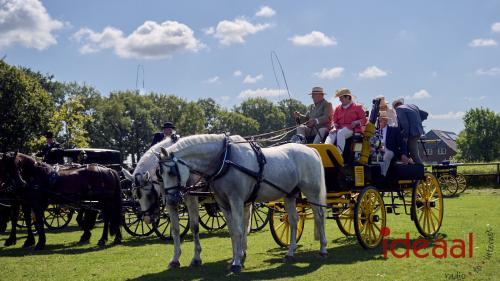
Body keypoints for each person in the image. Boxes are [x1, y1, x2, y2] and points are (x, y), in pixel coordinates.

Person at [325, 88, 367, 153]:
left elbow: (364, 119)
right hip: (339, 128)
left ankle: (339, 154)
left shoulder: (358, 107)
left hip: (352, 129)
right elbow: (334, 120)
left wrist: (356, 122)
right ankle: (325, 151)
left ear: (348, 97)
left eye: (341, 98)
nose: (339, 100)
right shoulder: (337, 108)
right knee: (331, 133)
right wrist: (334, 127)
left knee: (340, 133)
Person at [392, 98, 428, 164]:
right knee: (412, 152)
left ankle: (421, 172)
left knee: (413, 155)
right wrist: (417, 122)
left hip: (412, 133)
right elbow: (425, 114)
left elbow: (405, 124)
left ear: (395, 107)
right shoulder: (412, 106)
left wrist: (405, 137)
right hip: (418, 131)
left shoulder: (399, 109)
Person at [376, 111, 412, 176]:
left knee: (387, 154)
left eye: (381, 118)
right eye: (378, 119)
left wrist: (403, 154)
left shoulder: (394, 130)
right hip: (378, 152)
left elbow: (402, 143)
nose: (379, 120)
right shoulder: (376, 132)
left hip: (390, 152)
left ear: (386, 120)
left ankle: (382, 175)